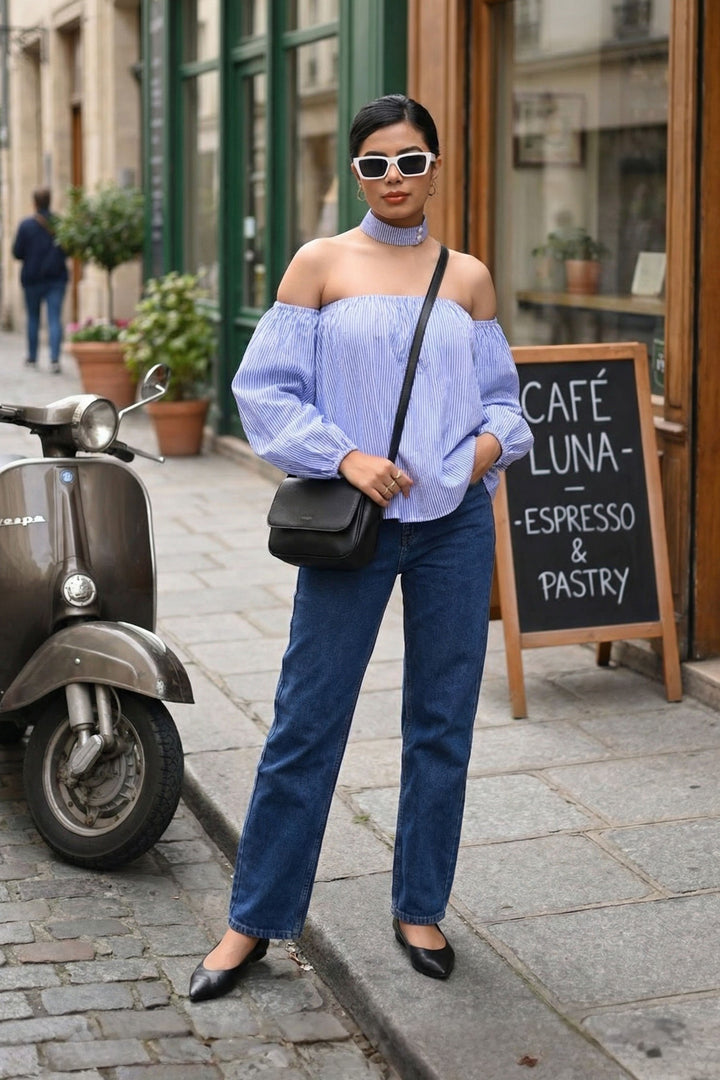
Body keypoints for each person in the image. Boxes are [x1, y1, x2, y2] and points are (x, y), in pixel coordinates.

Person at [189, 94, 533, 1001]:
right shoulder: (320, 264)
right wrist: (345, 456)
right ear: (355, 172)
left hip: (454, 528)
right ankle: (251, 921)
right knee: (306, 722)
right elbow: (263, 389)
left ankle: (421, 904)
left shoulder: (467, 278)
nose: (394, 178)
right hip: (355, 526)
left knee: (441, 724)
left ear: (435, 168)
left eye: (410, 160)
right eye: (376, 162)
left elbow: (506, 403)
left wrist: (480, 454)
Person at [12, 187, 69, 372]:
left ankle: (32, 357)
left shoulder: (26, 225)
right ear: (50, 201)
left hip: (33, 279)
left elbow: (17, 252)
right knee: (54, 319)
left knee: (33, 318)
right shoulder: (60, 224)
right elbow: (68, 249)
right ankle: (54, 360)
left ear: (35, 202)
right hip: (56, 278)